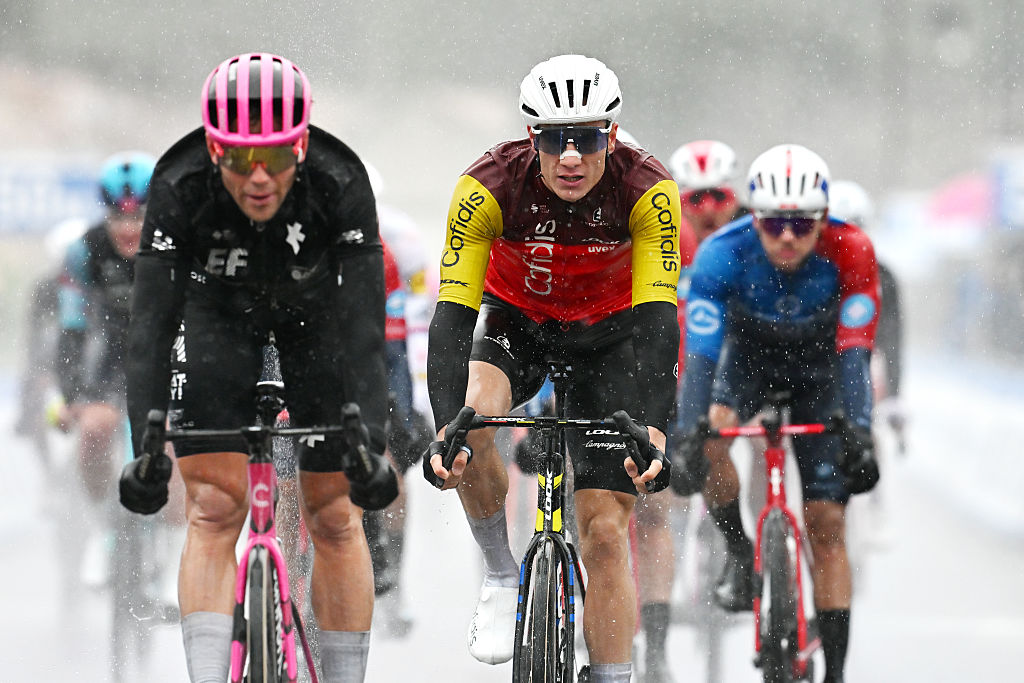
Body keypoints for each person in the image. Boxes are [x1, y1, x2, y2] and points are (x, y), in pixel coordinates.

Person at [116, 53, 398, 683]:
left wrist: (372, 445)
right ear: (214, 151)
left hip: (315, 316)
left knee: (334, 514)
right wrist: (146, 444)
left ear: (302, 143)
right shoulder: (178, 183)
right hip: (216, 313)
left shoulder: (340, 179)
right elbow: (152, 326)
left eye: (275, 157)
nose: (260, 177)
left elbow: (362, 327)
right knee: (214, 506)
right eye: (241, 159)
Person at [423, 54, 680, 683]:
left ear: (612, 137)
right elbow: (453, 319)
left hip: (610, 338)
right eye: (554, 139)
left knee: (603, 531)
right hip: (519, 325)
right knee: (474, 416)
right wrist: (442, 431)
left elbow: (656, 325)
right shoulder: (487, 185)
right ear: (529, 137)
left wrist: (654, 429)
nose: (571, 156)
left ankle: (615, 674)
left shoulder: (648, 189)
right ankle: (499, 571)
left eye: (587, 138)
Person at [670, 144, 881, 683]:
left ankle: (834, 671)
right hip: (747, 368)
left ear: (824, 218)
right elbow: (699, 356)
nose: (787, 236)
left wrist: (860, 431)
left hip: (821, 376)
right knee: (712, 434)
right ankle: (740, 552)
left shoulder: (852, 248)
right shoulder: (722, 253)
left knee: (827, 522)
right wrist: (691, 432)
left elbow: (855, 353)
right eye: (774, 223)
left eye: (802, 223)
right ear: (755, 216)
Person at [632, 139, 744, 681]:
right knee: (655, 508)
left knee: (717, 448)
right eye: (691, 198)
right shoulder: (661, 235)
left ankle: (731, 537)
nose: (705, 209)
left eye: (717, 196)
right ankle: (654, 643)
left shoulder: (754, 241)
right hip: (663, 378)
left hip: (722, 376)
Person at [52, 153, 155, 586]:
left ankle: (172, 538)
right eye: (117, 216)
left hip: (165, 351)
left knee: (169, 448)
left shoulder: (175, 244)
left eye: (139, 217)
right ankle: (101, 527)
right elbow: (71, 330)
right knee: (93, 432)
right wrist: (72, 395)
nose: (128, 228)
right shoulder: (86, 249)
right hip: (112, 354)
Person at [828, 179, 906, 451]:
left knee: (862, 437)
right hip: (813, 365)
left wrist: (894, 395)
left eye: (855, 228)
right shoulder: (806, 271)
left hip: (859, 364)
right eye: (840, 229)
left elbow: (892, 339)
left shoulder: (883, 276)